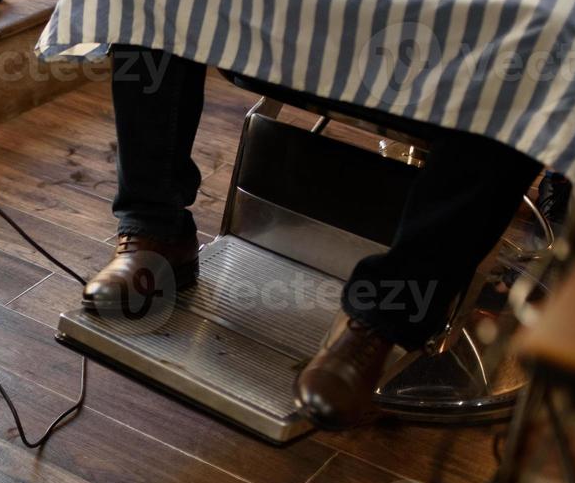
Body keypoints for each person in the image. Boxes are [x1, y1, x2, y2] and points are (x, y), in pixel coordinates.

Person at [84, 46, 543, 431]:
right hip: (321, 3)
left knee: (529, 66)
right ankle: (155, 231)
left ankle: (385, 315)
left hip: (457, 36)